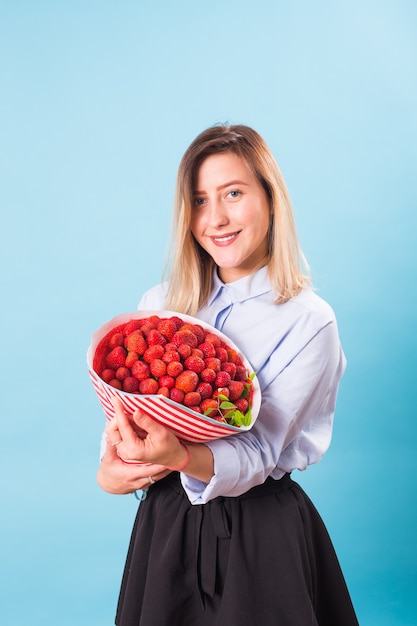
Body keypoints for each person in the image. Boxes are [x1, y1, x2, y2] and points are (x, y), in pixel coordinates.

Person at [97, 124, 359, 625]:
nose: (214, 218)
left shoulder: (308, 321)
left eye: (233, 194)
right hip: (166, 523)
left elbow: (260, 451)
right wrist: (116, 469)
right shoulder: (160, 305)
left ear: (271, 199)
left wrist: (175, 454)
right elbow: (130, 417)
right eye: (198, 200)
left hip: (259, 533)